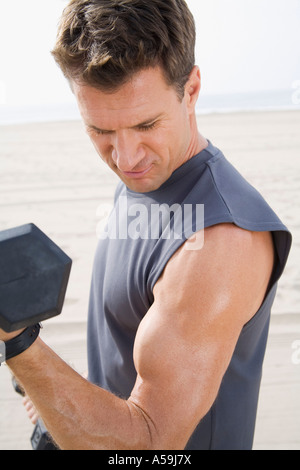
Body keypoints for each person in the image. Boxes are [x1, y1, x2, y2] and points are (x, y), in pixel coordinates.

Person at [0, 0, 292, 450]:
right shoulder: (148, 173)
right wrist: (56, 397)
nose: (125, 157)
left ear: (191, 90)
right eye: (100, 131)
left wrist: (19, 342)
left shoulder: (219, 240)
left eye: (146, 124)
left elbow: (146, 444)